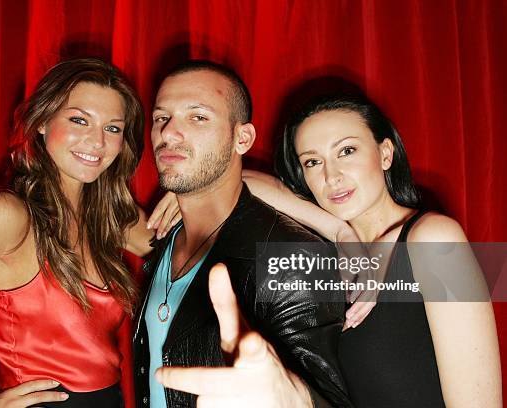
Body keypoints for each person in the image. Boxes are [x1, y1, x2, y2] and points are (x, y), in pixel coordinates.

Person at [0, 58, 180, 408]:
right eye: (79, 120)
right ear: (43, 122)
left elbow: (187, 249)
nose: (96, 141)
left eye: (113, 128)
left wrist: (241, 182)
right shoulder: (7, 218)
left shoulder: (110, 218)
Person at [244, 94, 502, 407]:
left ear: (385, 154)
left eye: (347, 151)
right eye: (313, 162)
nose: (331, 176)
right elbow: (239, 181)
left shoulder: (433, 239)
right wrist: (340, 231)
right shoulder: (324, 258)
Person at [133, 60, 352, 408]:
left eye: (198, 117)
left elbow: (331, 399)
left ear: (242, 138)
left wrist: (293, 402)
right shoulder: (165, 240)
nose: (169, 133)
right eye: (162, 117)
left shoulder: (292, 256)